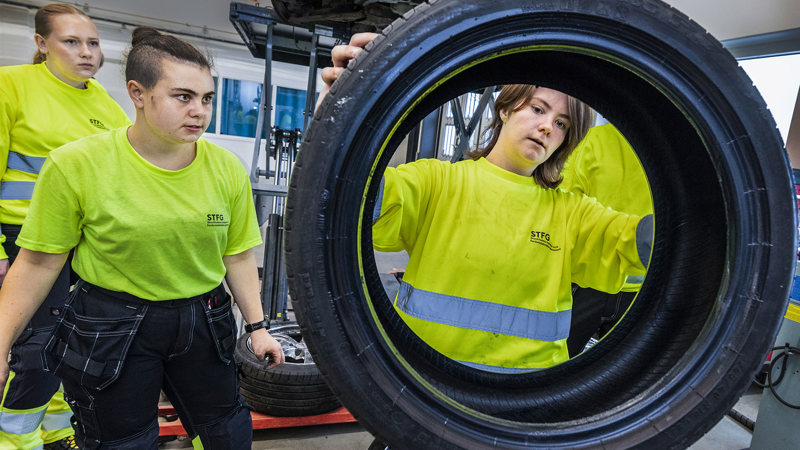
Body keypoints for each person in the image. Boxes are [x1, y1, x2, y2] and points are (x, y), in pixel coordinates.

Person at [0, 26, 284, 449]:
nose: (200, 112)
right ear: (137, 93)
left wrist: (258, 327)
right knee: (122, 442)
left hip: (203, 318)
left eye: (207, 98)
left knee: (227, 432)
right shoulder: (76, 164)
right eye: (183, 97)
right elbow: (38, 263)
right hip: (110, 322)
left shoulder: (226, 168)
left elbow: (238, 255)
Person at [321, 34, 651, 371]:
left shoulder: (572, 214)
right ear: (506, 109)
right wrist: (336, 116)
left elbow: (631, 241)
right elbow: (350, 195)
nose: (546, 127)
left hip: (528, 399)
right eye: (538, 108)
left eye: (561, 124)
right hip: (422, 385)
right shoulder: (438, 183)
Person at [0, 4, 130, 449]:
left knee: (72, 346)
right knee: (36, 350)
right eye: (71, 42)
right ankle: (14, 441)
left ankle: (56, 432)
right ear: (41, 44)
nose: (86, 53)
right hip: (25, 241)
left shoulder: (105, 105)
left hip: (82, 244)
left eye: (92, 43)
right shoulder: (10, 86)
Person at [560, 123, 654, 356]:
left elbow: (563, 207)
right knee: (618, 377)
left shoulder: (593, 140)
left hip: (588, 282)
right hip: (644, 286)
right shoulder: (673, 148)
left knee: (557, 366)